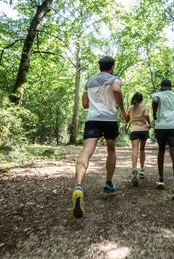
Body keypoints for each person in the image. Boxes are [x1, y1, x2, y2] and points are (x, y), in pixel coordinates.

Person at [71, 55, 127, 219]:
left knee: (87, 150)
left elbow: (85, 104)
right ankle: (108, 183)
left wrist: (96, 102)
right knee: (111, 150)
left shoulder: (89, 82)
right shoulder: (114, 79)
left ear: (99, 66)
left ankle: (79, 186)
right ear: (112, 67)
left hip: (93, 120)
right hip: (109, 119)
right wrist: (122, 110)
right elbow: (116, 90)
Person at [152, 79, 174, 199]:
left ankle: (161, 179)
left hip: (161, 127)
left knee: (161, 150)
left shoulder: (157, 95)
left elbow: (155, 100)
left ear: (161, 87)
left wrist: (154, 113)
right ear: (171, 87)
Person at [124, 92, 152, 186]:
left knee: (134, 149)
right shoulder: (145, 106)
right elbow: (147, 115)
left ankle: (134, 168)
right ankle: (142, 169)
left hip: (134, 130)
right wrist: (149, 123)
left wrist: (126, 117)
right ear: (142, 98)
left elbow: (127, 120)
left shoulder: (131, 108)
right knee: (142, 149)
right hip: (144, 130)